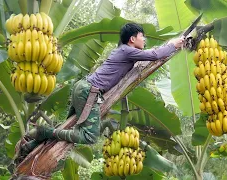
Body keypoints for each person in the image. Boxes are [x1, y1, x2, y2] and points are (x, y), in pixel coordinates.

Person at [17, 23, 185, 154]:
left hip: (82, 87)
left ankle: (30, 146)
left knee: (68, 127)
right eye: (142, 36)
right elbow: (154, 55)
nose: (145, 39)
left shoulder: (123, 51)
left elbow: (149, 54)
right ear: (132, 39)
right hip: (88, 91)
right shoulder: (127, 51)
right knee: (89, 136)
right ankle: (46, 132)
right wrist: (174, 45)